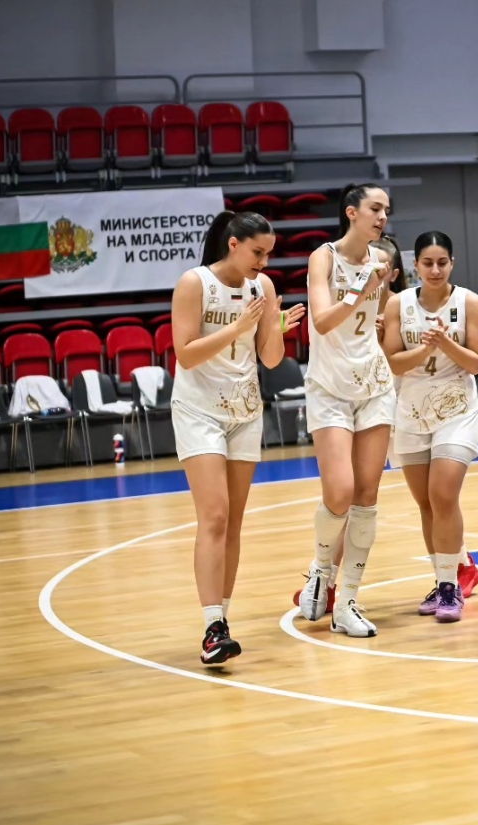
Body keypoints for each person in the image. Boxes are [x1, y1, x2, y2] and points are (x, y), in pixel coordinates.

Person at [171, 211, 305, 665]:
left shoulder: (261, 287)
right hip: (199, 410)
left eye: (268, 254)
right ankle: (211, 627)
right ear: (233, 244)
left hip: (245, 411)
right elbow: (186, 355)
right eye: (257, 252)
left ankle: (222, 622)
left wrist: (275, 330)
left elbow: (270, 360)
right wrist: (238, 327)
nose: (264, 262)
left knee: (233, 522)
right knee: (214, 516)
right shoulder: (194, 283)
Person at [296, 184, 397, 639]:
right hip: (330, 386)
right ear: (352, 212)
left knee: (366, 495)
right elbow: (321, 321)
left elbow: (373, 318)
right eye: (375, 208)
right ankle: (321, 569)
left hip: (373, 383)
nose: (382, 216)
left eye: (387, 210)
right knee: (339, 490)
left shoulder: (382, 259)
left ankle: (348, 602)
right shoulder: (324, 257)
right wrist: (361, 289)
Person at [381, 231, 478, 622]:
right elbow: (393, 362)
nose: (435, 269)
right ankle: (442, 579)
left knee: (443, 495)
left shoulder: (470, 302)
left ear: (452, 263)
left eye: (442, 262)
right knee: (426, 502)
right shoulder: (399, 304)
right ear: (415, 265)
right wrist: (425, 349)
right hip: (411, 411)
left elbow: (477, 363)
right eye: (427, 263)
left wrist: (444, 344)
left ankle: (450, 588)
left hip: (456, 409)